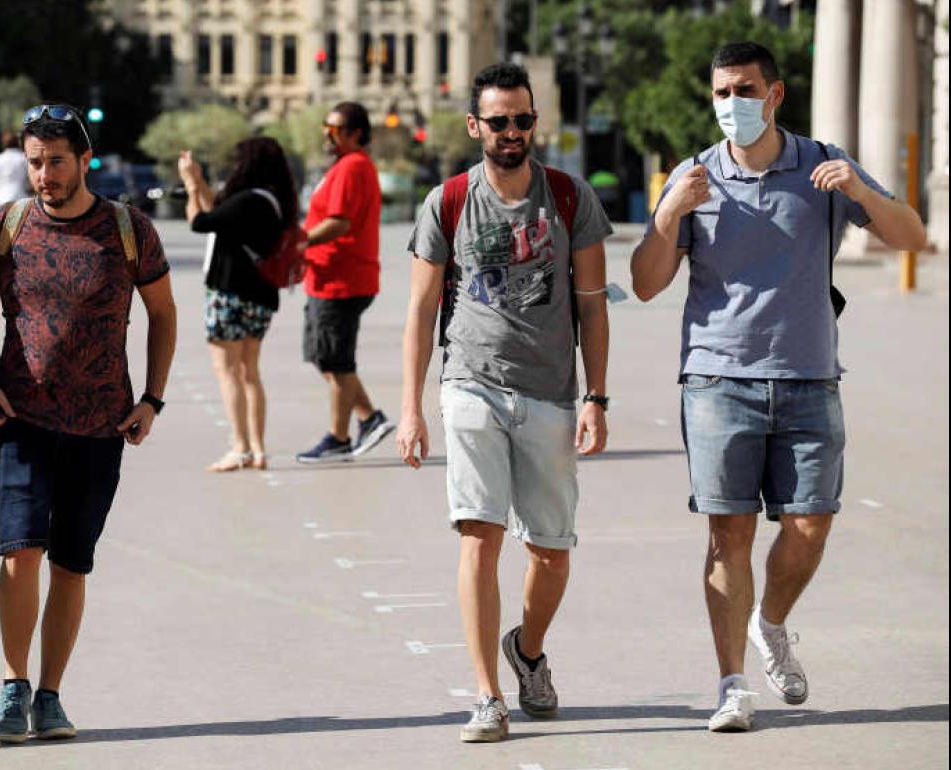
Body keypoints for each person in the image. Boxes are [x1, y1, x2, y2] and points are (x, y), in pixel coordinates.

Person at [630, 42, 926, 733]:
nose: (731, 103)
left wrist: (859, 190)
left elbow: (911, 237)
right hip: (717, 381)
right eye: (721, 92)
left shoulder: (822, 164)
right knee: (727, 535)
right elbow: (645, 284)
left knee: (811, 525)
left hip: (808, 377)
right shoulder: (693, 175)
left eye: (744, 89)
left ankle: (772, 620)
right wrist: (670, 212)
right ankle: (732, 685)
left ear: (775, 94)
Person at [397, 62, 612, 743]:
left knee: (551, 552)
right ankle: (487, 695)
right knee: (479, 536)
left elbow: (592, 306)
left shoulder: (570, 199)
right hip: (471, 384)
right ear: (475, 126)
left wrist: (596, 396)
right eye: (499, 121)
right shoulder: (449, 200)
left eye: (522, 119)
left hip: (549, 391)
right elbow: (422, 306)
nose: (512, 132)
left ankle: (527, 648)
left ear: (533, 123)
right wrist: (410, 408)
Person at [0, 103, 177, 743]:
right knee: (19, 551)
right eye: (35, 162)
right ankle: (13, 684)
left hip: (101, 422)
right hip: (22, 415)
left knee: (71, 562)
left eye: (57, 161)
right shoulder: (4, 226)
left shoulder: (128, 229)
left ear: (85, 161)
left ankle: (51, 694)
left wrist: (152, 398)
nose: (45, 174)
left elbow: (164, 314)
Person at [177, 138, 299, 471]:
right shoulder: (273, 202)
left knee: (227, 371)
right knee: (249, 372)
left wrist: (189, 186)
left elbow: (200, 221)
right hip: (261, 297)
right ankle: (257, 448)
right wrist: (199, 180)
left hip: (228, 294)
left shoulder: (246, 201)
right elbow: (217, 210)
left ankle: (240, 447)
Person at [295, 101, 393, 463]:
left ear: (355, 134)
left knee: (336, 361)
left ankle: (338, 438)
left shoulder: (352, 166)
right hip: (327, 278)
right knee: (326, 358)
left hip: (343, 279)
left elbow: (340, 222)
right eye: (326, 126)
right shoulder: (343, 166)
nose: (327, 133)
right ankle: (369, 418)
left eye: (334, 128)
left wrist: (299, 244)